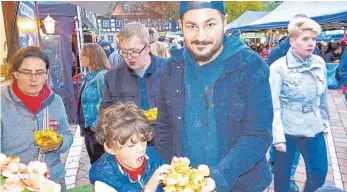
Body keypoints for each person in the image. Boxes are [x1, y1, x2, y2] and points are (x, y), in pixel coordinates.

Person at [154, 2, 273, 191]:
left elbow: (257, 135)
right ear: (181, 25)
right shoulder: (170, 68)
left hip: (240, 184)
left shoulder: (251, 66)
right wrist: (169, 165)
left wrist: (218, 178)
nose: (201, 37)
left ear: (224, 23)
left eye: (210, 25)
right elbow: (164, 127)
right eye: (191, 26)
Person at [89, 102, 215, 191]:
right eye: (131, 145)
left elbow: (166, 185)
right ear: (111, 147)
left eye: (143, 141)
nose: (141, 149)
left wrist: (175, 173)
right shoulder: (104, 180)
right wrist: (149, 188)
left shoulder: (151, 156)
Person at [269, 17, 329, 192]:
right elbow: (273, 104)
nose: (311, 43)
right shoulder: (279, 67)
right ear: (292, 41)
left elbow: (323, 97)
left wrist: (324, 123)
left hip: (313, 126)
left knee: (319, 172)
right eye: (305, 39)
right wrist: (277, 136)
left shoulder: (320, 63)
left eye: (313, 39)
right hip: (288, 129)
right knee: (282, 175)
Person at [1, 46, 73, 191]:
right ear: (15, 73)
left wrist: (58, 144)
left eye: (39, 73)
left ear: (47, 74)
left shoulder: (55, 101)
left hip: (52, 181)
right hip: (15, 185)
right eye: (27, 72)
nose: (33, 79)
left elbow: (68, 135)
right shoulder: (2, 102)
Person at [102, 22, 166, 112]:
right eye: (124, 52)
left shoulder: (169, 69)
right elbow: (107, 112)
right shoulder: (112, 77)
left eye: (134, 51)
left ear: (147, 48)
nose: (129, 57)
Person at [77, 43, 111, 164]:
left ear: (93, 56)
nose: (81, 58)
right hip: (88, 128)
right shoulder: (88, 76)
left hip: (97, 128)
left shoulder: (102, 75)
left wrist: (96, 125)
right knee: (94, 162)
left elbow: (108, 103)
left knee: (101, 163)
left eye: (84, 55)